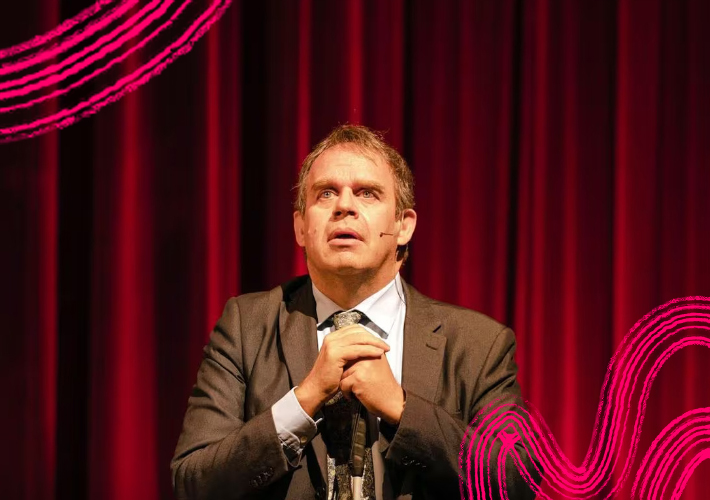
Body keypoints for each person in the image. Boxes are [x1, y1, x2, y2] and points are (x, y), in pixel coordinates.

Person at [171, 125, 537, 499]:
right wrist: (303, 401)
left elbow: (517, 482)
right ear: (301, 227)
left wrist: (402, 410)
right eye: (326, 193)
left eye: (367, 193)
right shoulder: (246, 327)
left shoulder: (477, 343)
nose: (344, 206)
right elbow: (193, 483)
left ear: (403, 226)